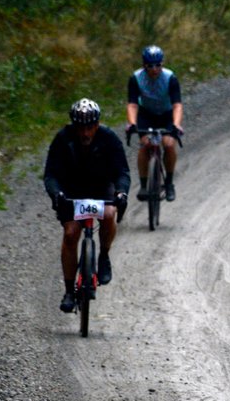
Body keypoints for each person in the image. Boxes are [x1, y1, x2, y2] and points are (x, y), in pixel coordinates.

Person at [44, 98, 130, 313]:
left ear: (97, 124)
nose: (85, 133)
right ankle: (69, 291)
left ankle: (104, 256)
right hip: (71, 191)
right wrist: (56, 194)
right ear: (74, 125)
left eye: (90, 127)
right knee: (71, 233)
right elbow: (51, 174)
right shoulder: (63, 139)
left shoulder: (109, 139)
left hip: (101, 188)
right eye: (81, 127)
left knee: (110, 213)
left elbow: (122, 171)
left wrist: (121, 191)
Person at [126, 45, 183, 202]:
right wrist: (132, 123)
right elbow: (132, 104)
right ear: (144, 65)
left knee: (169, 144)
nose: (154, 69)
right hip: (146, 114)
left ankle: (169, 183)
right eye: (150, 66)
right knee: (145, 144)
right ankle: (144, 185)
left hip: (166, 114)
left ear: (162, 64)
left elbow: (177, 104)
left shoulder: (170, 78)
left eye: (158, 65)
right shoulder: (136, 78)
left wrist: (176, 125)